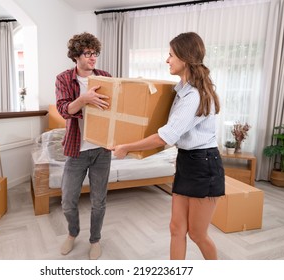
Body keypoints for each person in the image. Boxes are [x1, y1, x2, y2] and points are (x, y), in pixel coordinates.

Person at [112, 32, 225, 260]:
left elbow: (166, 136)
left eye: (171, 55)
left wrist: (126, 147)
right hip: (187, 161)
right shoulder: (181, 91)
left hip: (204, 165)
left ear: (184, 58)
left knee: (197, 234)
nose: (167, 60)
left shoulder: (194, 96)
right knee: (176, 228)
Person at [55, 32, 112, 260]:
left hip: (101, 149)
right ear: (76, 56)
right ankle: (72, 233)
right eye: (88, 53)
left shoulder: (106, 77)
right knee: (68, 201)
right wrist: (83, 99)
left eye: (95, 53)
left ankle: (95, 239)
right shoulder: (63, 78)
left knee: (99, 201)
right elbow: (63, 110)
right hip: (76, 150)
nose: (93, 58)